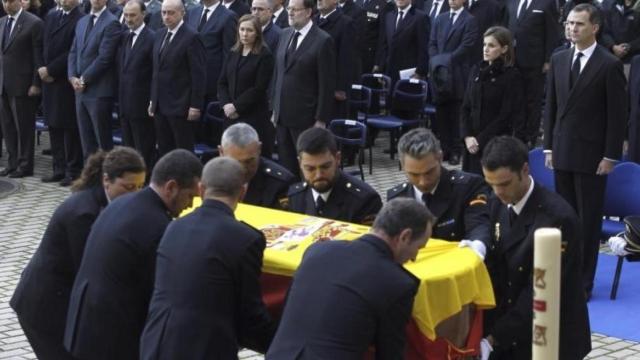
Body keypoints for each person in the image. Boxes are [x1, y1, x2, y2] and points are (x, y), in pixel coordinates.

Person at [63, 149, 202, 360]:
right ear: (171, 187)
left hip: (85, 326)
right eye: (190, 196)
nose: (191, 205)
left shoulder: (122, 203)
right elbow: (157, 294)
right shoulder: (157, 226)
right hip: (111, 338)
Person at [10, 147, 146, 360]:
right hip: (44, 307)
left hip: (61, 299)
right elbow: (90, 271)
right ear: (106, 180)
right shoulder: (84, 214)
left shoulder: (105, 203)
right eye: (128, 187)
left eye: (140, 187)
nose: (135, 195)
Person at [140, 157, 276, 359]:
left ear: (201, 189)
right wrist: (278, 344)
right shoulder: (246, 239)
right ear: (242, 192)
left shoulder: (173, 227)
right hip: (204, 349)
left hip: (156, 342)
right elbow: (250, 313)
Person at [266, 198, 434, 359]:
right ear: (405, 236)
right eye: (418, 247)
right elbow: (390, 353)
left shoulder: (317, 251)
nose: (414, 256)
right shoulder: (397, 283)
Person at [479, 136, 591, 360]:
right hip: (513, 329)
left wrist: (494, 337)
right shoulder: (497, 202)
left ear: (525, 170)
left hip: (550, 334)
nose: (497, 192)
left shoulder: (557, 218)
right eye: (491, 184)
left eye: (504, 183)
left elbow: (540, 291)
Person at [543, 3, 627, 298]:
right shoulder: (559, 58)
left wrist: (610, 155)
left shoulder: (609, 65)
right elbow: (551, 107)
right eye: (569, 23)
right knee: (564, 219)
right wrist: (548, 147)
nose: (572, 28)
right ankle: (564, 276)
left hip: (593, 157)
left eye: (578, 24)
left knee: (588, 223)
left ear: (595, 28)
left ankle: (584, 282)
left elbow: (617, 116)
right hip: (562, 151)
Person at [387, 128, 490, 254]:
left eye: (429, 172)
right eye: (414, 175)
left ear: (440, 158)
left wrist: (477, 246)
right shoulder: (397, 198)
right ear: (402, 166)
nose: (423, 182)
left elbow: (479, 224)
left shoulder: (468, 187)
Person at [271, 0, 336, 175]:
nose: (290, 13)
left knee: (306, 168)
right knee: (286, 168)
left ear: (308, 12)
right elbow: (278, 73)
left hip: (306, 118)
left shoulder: (323, 40)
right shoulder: (284, 34)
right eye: (289, 9)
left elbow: (326, 83)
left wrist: (321, 119)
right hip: (282, 116)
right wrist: (274, 108)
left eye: (295, 10)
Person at [287, 127, 382, 225]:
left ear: (338, 159)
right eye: (310, 169)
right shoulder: (296, 197)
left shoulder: (365, 201)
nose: (318, 175)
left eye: (325, 167)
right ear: (300, 163)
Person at [460, 26, 523, 174]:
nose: (485, 49)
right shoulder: (476, 69)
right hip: (471, 143)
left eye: (491, 45)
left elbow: (506, 115)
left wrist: (479, 140)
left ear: (504, 49)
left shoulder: (511, 76)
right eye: (484, 45)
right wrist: (467, 136)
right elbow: (465, 107)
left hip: (494, 143)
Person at [149, 0, 206, 157]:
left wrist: (195, 105)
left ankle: (186, 181)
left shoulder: (192, 37)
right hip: (160, 105)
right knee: (164, 149)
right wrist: (153, 100)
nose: (167, 16)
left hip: (181, 105)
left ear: (182, 13)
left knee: (183, 150)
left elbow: (198, 75)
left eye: (171, 13)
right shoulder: (160, 34)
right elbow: (156, 70)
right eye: (164, 12)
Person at [68, 0, 122, 158]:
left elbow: (105, 58)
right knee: (86, 140)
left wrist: (84, 79)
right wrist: (72, 77)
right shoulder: (82, 21)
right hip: (80, 91)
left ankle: (107, 180)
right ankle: (90, 179)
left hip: (99, 91)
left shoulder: (112, 22)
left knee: (103, 142)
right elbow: (73, 51)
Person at [428, 0, 479, 165]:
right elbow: (432, 43)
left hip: (457, 72)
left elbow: (467, 46)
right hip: (439, 73)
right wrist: (437, 61)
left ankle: (457, 150)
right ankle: (445, 149)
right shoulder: (440, 18)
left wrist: (446, 61)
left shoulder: (469, 20)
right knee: (441, 113)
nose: (452, 1)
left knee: (456, 113)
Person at [39, 0, 83, 186]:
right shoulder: (52, 16)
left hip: (65, 80)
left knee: (69, 128)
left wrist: (51, 69)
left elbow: (71, 52)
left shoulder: (80, 18)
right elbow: (43, 44)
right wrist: (42, 68)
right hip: (48, 80)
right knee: (54, 126)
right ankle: (58, 168)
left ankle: (72, 170)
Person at [218, 15, 275, 157]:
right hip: (229, 115)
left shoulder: (264, 55)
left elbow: (259, 88)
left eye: (249, 30)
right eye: (242, 29)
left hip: (253, 115)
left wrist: (236, 106)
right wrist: (226, 105)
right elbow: (222, 82)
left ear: (257, 33)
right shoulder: (233, 52)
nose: (244, 33)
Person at [507, 0, 559, 147]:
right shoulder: (512, 3)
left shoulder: (546, 3)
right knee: (517, 99)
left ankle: (531, 137)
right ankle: (518, 134)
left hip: (534, 61)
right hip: (513, 60)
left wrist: (548, 59)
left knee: (533, 101)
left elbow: (552, 32)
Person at [0, 0, 43, 178]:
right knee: (8, 126)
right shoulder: (2, 22)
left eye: (10, 1)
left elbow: (37, 56)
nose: (6, 5)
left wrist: (35, 83)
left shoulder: (33, 23)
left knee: (24, 128)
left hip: (23, 86)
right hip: (3, 84)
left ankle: (25, 165)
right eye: (4, 1)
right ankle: (12, 163)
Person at [117, 0, 156, 171]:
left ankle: (144, 179)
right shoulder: (125, 36)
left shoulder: (152, 38)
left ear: (143, 15)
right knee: (128, 147)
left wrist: (151, 101)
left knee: (143, 147)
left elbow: (155, 73)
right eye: (125, 15)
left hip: (141, 104)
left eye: (132, 15)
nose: (128, 19)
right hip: (125, 102)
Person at [219, 123, 295, 209]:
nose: (242, 169)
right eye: (235, 163)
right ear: (221, 152)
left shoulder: (279, 184)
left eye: (249, 162)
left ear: (259, 149)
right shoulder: (212, 177)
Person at [186, 0, 236, 106]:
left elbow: (229, 55)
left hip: (212, 84)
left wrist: (223, 86)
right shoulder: (192, 12)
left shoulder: (228, 16)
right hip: (189, 82)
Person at [314, 0, 355, 118]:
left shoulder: (346, 23)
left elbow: (346, 59)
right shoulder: (313, 21)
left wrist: (340, 88)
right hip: (314, 84)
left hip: (332, 87)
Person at [374, 0, 430, 84]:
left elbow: (424, 48)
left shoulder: (421, 17)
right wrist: (381, 69)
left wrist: (420, 72)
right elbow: (384, 46)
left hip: (410, 74)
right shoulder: (389, 16)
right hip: (389, 73)